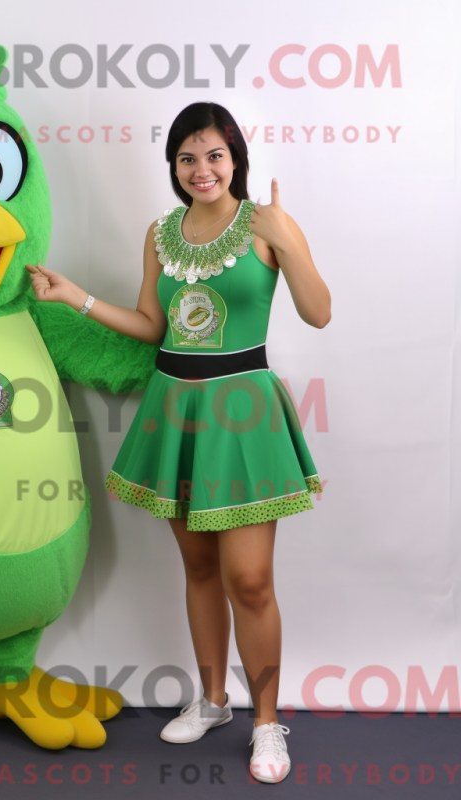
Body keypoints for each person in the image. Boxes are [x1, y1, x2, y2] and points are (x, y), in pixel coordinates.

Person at [26, 102, 330, 784]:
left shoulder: (266, 224)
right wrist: (76, 297)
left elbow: (319, 312)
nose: (201, 169)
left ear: (235, 158)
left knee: (250, 580)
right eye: (187, 158)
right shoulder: (161, 233)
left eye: (214, 155)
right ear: (174, 166)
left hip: (242, 413)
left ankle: (267, 721)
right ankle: (214, 701)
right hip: (175, 407)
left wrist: (287, 239)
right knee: (199, 569)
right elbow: (151, 324)